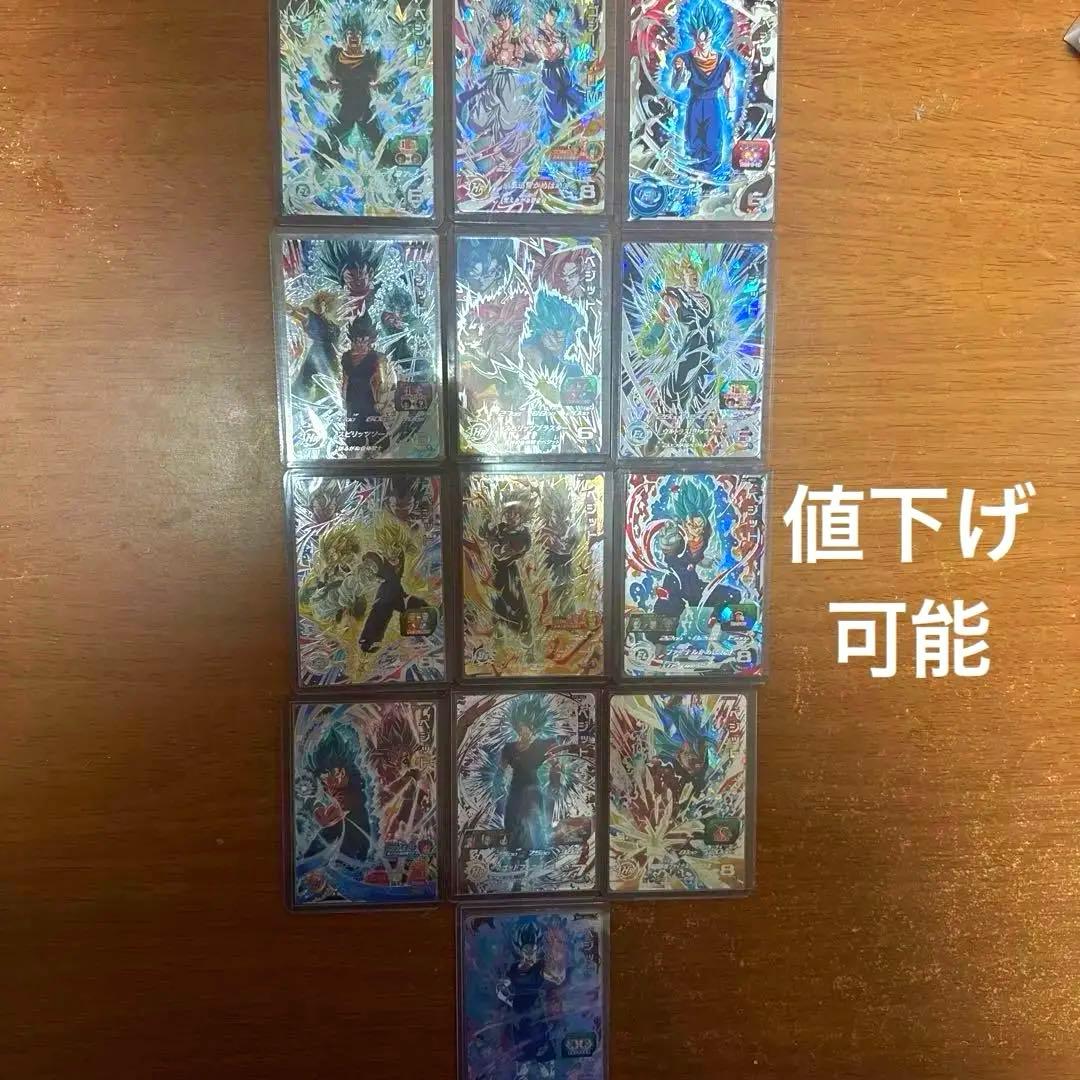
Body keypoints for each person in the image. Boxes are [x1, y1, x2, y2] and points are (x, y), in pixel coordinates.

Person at [312, 15, 394, 165]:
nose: (354, 37)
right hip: (345, 107)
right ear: (345, 37)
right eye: (351, 34)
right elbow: (331, 84)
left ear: (362, 38)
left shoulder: (371, 58)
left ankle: (386, 165)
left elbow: (376, 84)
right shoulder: (335, 55)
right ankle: (325, 165)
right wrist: (318, 83)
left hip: (365, 107)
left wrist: (388, 86)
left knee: (380, 144)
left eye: (358, 34)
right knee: (328, 144)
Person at [670, 3, 738, 176]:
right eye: (699, 40)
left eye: (706, 39)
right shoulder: (683, 59)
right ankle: (693, 182)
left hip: (713, 105)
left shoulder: (724, 61)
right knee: (693, 144)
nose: (703, 43)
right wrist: (681, 77)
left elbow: (729, 89)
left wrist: (731, 110)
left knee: (713, 145)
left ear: (712, 36)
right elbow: (675, 87)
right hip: (694, 105)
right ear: (694, 36)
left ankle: (710, 182)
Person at [496, 921, 565, 1079]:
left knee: (547, 1068)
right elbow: (500, 988)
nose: (530, 954)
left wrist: (555, 954)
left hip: (538, 1022)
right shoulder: (514, 969)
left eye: (533, 949)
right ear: (519, 949)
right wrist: (512, 1001)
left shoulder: (540, 968)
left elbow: (558, 978)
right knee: (522, 1069)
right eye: (526, 950)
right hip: (521, 1025)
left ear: (537, 948)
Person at [500, 701, 559, 855]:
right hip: (515, 788)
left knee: (531, 816)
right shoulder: (509, 748)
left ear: (533, 727)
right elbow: (501, 770)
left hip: (532, 787)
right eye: (520, 727)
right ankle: (516, 850)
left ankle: (536, 848)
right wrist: (501, 781)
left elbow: (556, 764)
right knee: (511, 818)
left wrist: (554, 780)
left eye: (525, 726)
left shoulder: (541, 745)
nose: (522, 730)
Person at [480, 499, 533, 636]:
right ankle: (500, 629)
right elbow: (484, 533)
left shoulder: (523, 536)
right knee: (497, 600)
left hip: (509, 573)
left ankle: (520, 629)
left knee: (513, 599)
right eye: (508, 513)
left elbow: (500, 555)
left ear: (521, 516)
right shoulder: (502, 527)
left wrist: (492, 539)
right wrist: (487, 527)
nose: (510, 516)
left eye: (515, 514)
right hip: (496, 571)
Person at [340, 314, 389, 452]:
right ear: (353, 340)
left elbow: (381, 382)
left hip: (369, 397)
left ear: (370, 340)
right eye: (357, 341)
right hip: (352, 397)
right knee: (354, 435)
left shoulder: (376, 357)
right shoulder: (346, 357)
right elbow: (345, 379)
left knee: (377, 433)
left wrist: (381, 401)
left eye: (364, 341)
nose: (361, 344)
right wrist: (343, 399)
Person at [535, 3, 585, 128]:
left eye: (555, 16)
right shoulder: (539, 34)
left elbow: (568, 52)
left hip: (562, 69)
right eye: (551, 15)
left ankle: (577, 118)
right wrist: (560, 46)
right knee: (555, 97)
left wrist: (560, 46)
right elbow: (549, 55)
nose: (554, 19)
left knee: (571, 92)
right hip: (550, 71)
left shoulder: (558, 33)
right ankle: (559, 124)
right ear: (544, 14)